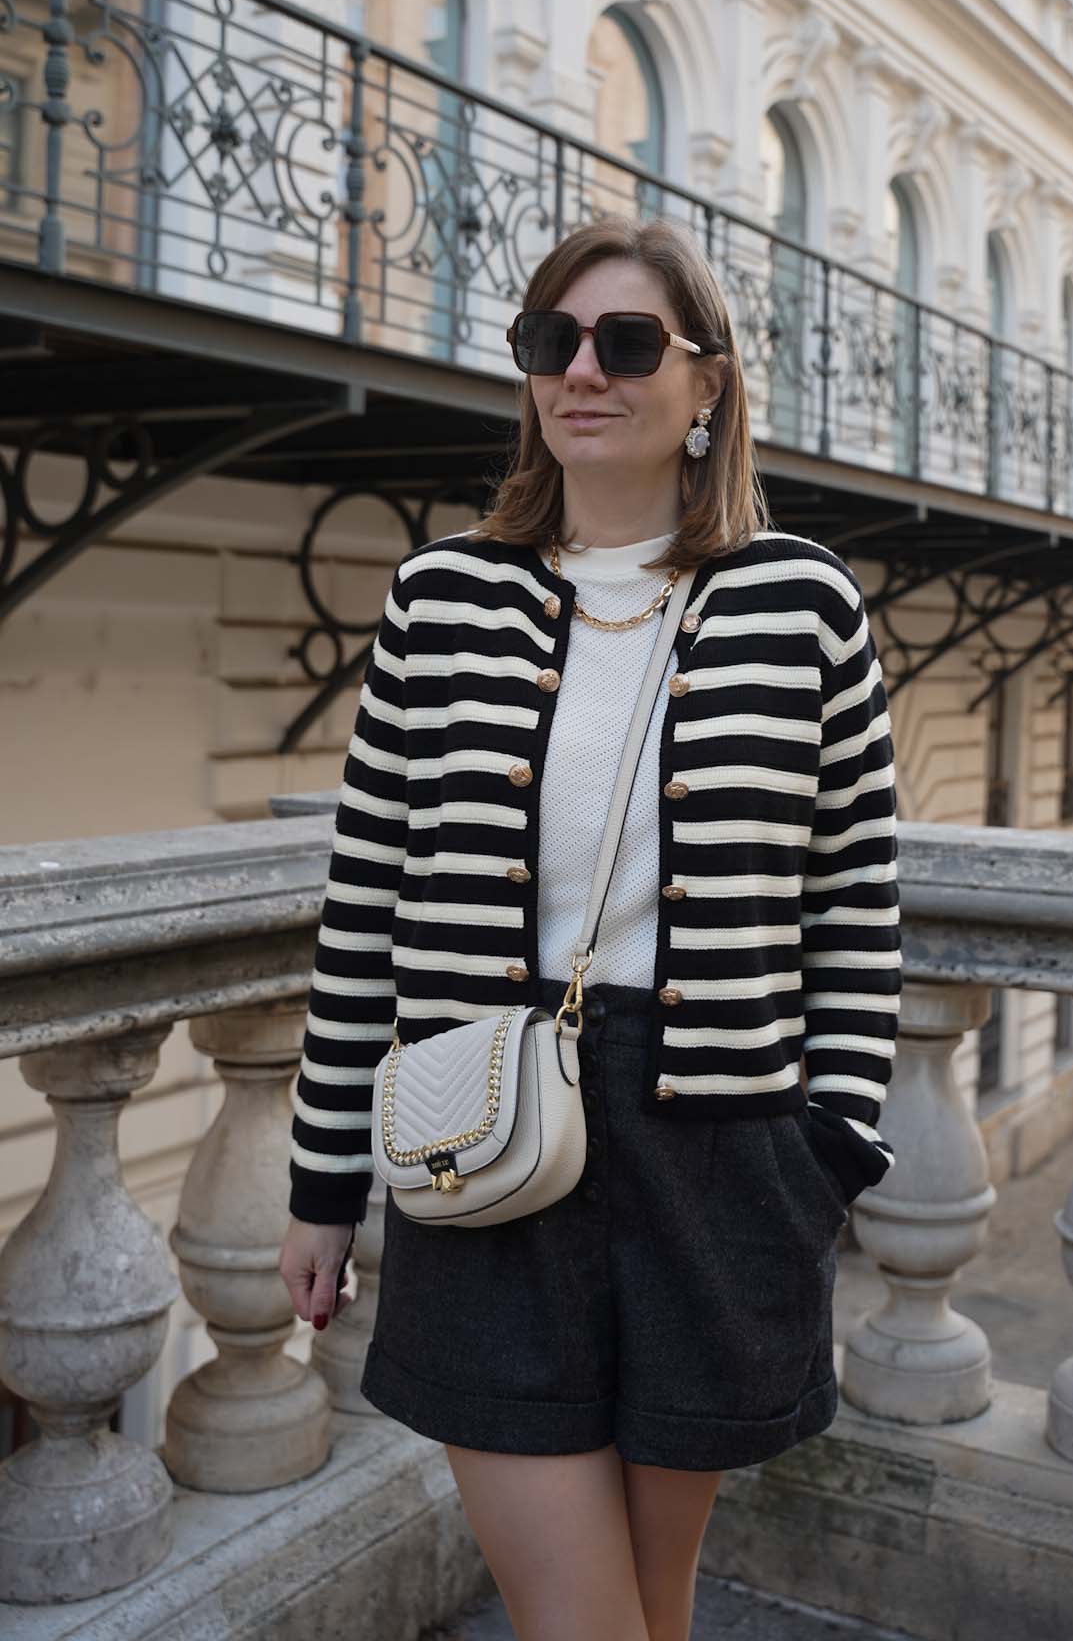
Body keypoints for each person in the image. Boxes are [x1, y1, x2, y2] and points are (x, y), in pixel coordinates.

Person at [280, 214, 902, 1641]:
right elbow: (364, 903)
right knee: (576, 1616)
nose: (582, 371)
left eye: (626, 343)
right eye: (548, 342)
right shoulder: (441, 602)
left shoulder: (799, 605)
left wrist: (832, 1148)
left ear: (707, 384)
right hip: (484, 1140)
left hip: (723, 1157)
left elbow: (852, 902)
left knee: (653, 1607)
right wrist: (323, 1186)